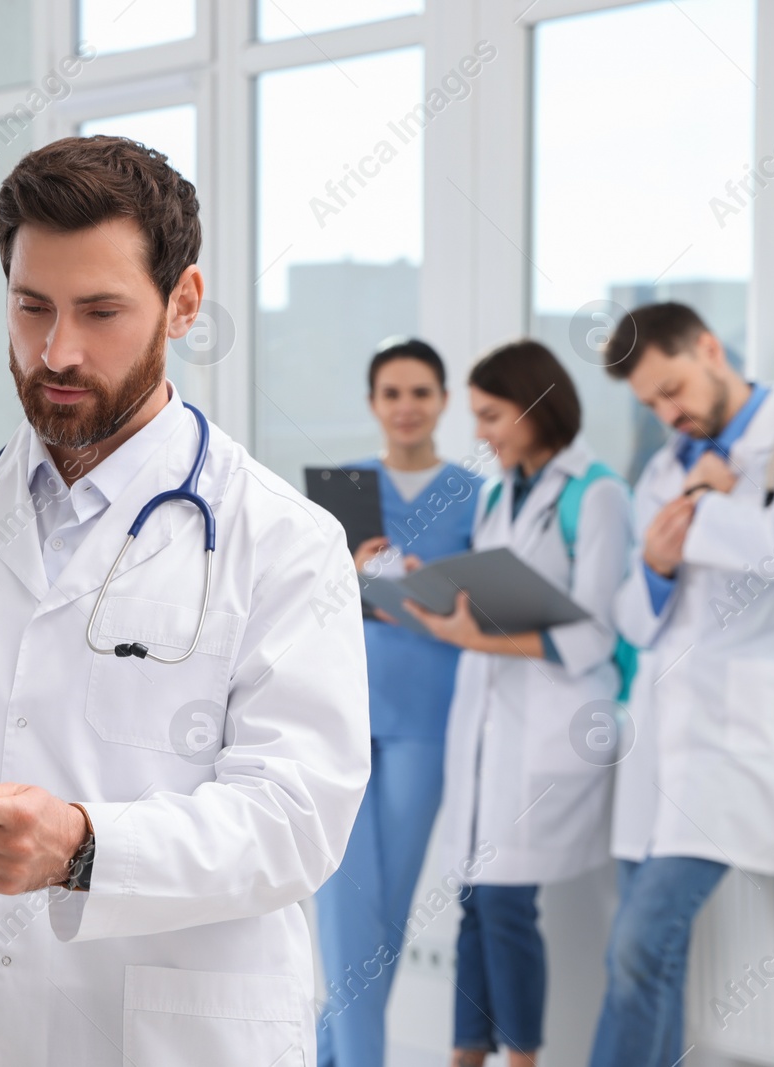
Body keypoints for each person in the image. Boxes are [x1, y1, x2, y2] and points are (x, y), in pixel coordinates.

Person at [0, 134, 369, 1066]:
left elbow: (297, 817)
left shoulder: (282, 538)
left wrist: (84, 847)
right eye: (31, 306)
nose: (56, 350)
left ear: (184, 304)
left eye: (101, 311)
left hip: (171, 1038)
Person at [404, 341, 631, 1067]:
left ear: (536, 406)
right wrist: (434, 586)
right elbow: (494, 596)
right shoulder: (502, 490)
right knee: (474, 900)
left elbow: (595, 635)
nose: (482, 433)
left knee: (502, 905)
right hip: (489, 725)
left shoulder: (596, 494)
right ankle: (466, 1055)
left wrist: (481, 637)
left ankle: (523, 1059)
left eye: (492, 415)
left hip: (552, 726)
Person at [589, 302, 774, 1067]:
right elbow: (634, 619)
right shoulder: (665, 465)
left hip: (737, 742)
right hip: (660, 743)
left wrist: (700, 508)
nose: (667, 411)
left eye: (672, 388)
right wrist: (656, 562)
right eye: (650, 403)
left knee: (641, 946)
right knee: (646, 955)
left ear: (710, 349)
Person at [315, 340, 482, 1066]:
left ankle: (333, 1056)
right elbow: (304, 605)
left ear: (443, 400)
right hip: (343, 712)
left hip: (429, 715)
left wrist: (433, 587)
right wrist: (348, 576)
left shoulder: (477, 495)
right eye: (392, 393)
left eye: (420, 391)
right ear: (374, 403)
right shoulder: (340, 494)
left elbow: (492, 608)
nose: (407, 406)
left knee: (389, 907)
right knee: (345, 897)